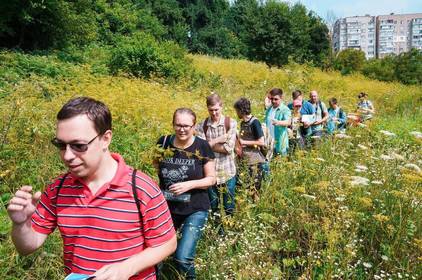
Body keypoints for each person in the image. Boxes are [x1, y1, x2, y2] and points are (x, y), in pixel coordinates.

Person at [7, 97, 177, 280]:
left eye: (79, 146)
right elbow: (26, 247)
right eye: (61, 145)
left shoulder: (141, 188)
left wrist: (126, 268)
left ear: (106, 139)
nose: (68, 156)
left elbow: (167, 243)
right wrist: (20, 224)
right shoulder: (57, 189)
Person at [156, 108, 216, 279]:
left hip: (195, 208)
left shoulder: (202, 146)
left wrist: (188, 185)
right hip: (167, 207)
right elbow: (157, 166)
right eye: (178, 125)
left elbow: (211, 179)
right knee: (155, 254)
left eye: (186, 126)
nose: (182, 129)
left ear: (194, 126)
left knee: (182, 259)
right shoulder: (164, 142)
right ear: (173, 124)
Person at [196, 93, 237, 217]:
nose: (214, 113)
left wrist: (208, 145)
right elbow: (201, 149)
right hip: (210, 173)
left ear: (221, 107)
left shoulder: (230, 122)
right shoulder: (202, 125)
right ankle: (218, 231)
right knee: (213, 206)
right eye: (211, 110)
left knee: (229, 206)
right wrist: (219, 139)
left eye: (216, 110)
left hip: (227, 172)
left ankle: (230, 230)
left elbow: (229, 148)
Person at [234, 97, 266, 198]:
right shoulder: (243, 123)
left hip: (255, 161)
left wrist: (244, 142)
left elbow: (261, 142)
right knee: (245, 188)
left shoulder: (255, 122)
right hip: (245, 160)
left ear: (241, 110)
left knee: (254, 190)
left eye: (237, 111)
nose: (236, 113)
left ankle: (257, 209)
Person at [264, 88, 291, 156]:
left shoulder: (285, 109)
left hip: (280, 143)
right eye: (272, 99)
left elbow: (288, 122)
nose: (273, 101)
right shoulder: (269, 109)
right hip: (269, 142)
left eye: (276, 99)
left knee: (281, 164)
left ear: (281, 98)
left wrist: (278, 122)